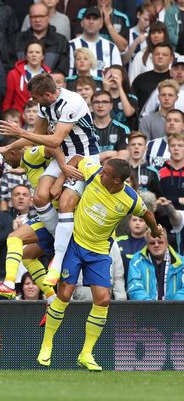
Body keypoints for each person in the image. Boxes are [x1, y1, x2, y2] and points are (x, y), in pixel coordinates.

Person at [38, 157, 162, 371]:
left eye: (106, 173)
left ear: (117, 180)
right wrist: (61, 180)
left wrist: (156, 230)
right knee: (65, 294)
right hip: (75, 243)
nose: (101, 173)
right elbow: (77, 159)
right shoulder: (94, 173)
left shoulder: (130, 199)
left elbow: (148, 213)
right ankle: (46, 344)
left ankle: (86, 353)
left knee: (103, 299)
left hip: (99, 251)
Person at [0, 73, 100, 287]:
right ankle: (57, 240)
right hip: (62, 155)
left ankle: (59, 258)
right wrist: (9, 145)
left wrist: (19, 131)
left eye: (36, 97)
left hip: (85, 157)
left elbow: (55, 139)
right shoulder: (44, 106)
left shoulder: (72, 102)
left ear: (48, 94)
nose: (33, 102)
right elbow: (37, 134)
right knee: (40, 197)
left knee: (65, 202)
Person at [0, 145, 60, 303]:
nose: (6, 163)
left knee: (14, 237)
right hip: (51, 215)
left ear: (14, 151)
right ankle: (52, 298)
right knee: (28, 256)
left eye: (6, 157)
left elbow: (55, 149)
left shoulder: (33, 154)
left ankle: (8, 285)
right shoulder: (25, 163)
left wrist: (64, 170)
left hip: (56, 215)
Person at [127, 229, 184, 300]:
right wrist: (151, 308)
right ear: (147, 244)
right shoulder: (136, 260)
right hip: (145, 309)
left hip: (176, 310)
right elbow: (134, 289)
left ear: (167, 243)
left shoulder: (182, 262)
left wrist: (172, 307)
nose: (156, 245)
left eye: (160, 242)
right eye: (152, 243)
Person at [68, 7, 122, 79]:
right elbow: (68, 75)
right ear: (81, 23)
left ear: (101, 24)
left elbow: (118, 76)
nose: (91, 21)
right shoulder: (70, 46)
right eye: (88, 18)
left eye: (95, 19)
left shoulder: (111, 47)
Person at [3, 40, 51, 114]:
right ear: (26, 56)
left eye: (37, 52)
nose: (34, 55)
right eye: (30, 52)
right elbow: (8, 101)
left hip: (42, 120)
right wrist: (6, 117)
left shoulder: (49, 76)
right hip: (19, 120)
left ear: (43, 56)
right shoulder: (14, 74)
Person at [91, 90, 130, 163]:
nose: (100, 105)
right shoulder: (85, 130)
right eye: (96, 102)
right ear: (92, 106)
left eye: (104, 102)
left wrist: (102, 161)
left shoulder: (122, 129)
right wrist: (108, 154)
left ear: (111, 105)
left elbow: (123, 157)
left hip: (114, 173)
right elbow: (83, 159)